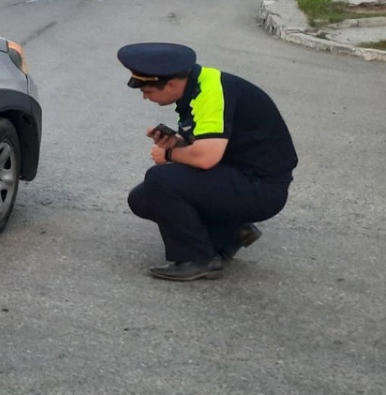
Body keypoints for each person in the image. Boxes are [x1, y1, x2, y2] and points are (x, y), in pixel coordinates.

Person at [118, 42, 298, 281]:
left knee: (159, 180)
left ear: (170, 84)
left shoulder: (211, 94)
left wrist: (169, 155)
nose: (144, 97)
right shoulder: (198, 85)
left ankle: (198, 258)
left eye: (148, 91)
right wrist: (177, 142)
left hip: (261, 188)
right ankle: (230, 233)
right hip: (240, 176)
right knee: (142, 198)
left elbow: (206, 157)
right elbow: (205, 137)